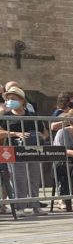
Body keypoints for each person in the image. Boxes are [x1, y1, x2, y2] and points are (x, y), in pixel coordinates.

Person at [0, 86, 47, 216]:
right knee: (18, 179)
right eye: (8, 99)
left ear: (22, 100)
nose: (10, 101)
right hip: (14, 151)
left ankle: (35, 206)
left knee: (34, 178)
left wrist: (39, 136)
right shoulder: (6, 116)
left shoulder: (32, 116)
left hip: (33, 150)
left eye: (13, 98)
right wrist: (15, 134)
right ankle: (19, 207)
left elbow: (44, 132)